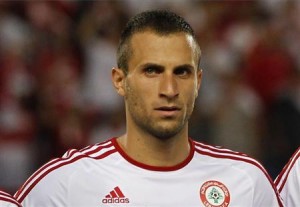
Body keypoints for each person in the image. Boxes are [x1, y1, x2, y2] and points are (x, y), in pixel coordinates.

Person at [14, 10, 283, 207]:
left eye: (182, 72)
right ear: (120, 81)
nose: (169, 89)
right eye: (152, 71)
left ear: (198, 82)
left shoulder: (246, 181)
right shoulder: (65, 184)